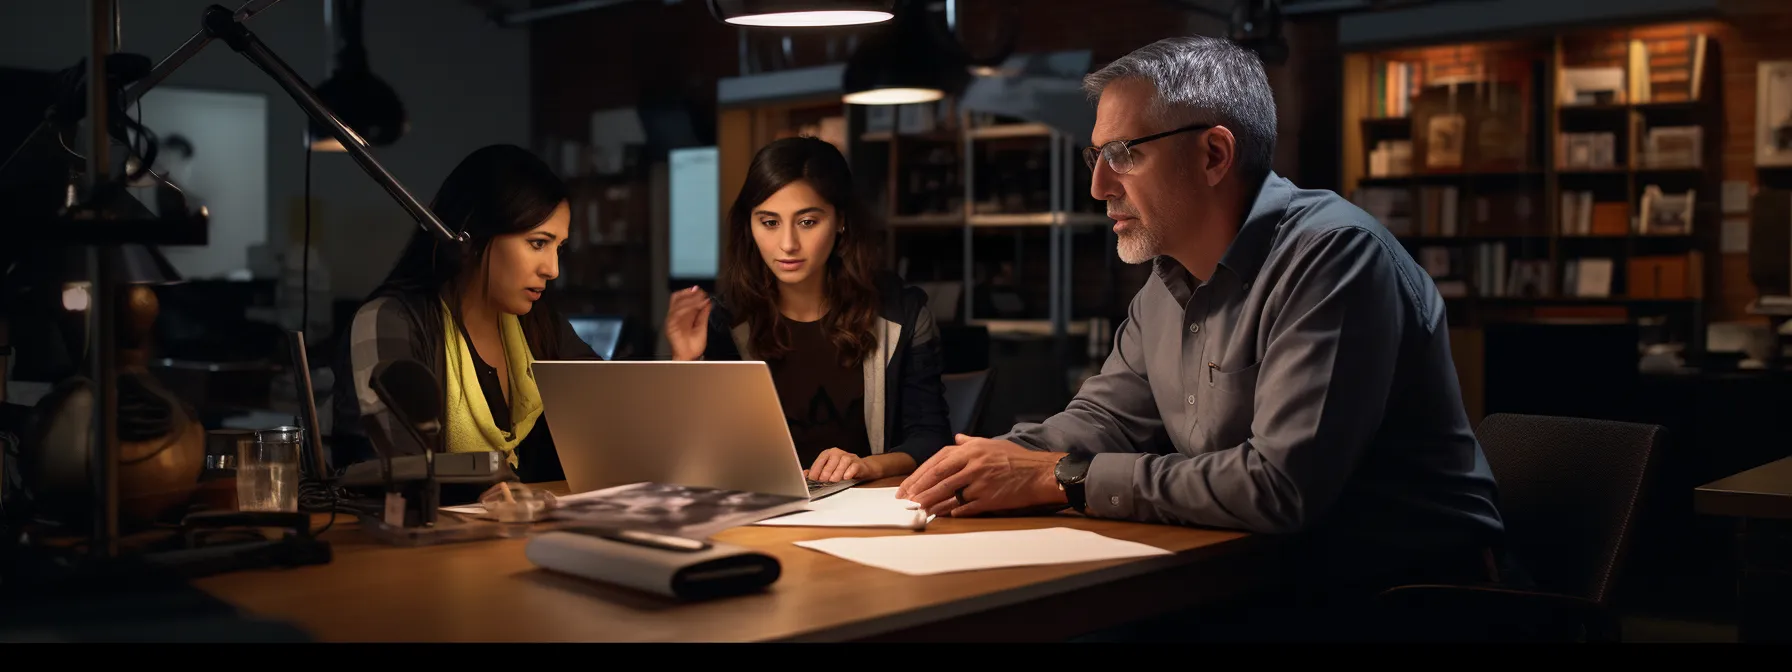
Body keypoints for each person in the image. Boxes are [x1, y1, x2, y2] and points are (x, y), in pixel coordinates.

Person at [894, 36, 1519, 638]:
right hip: (1264, 584)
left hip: (1405, 603)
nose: (1098, 187)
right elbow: (1099, 421)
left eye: (1125, 154)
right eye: (1096, 157)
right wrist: (972, 466)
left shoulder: (1333, 258)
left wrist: (1063, 477)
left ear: (1215, 155)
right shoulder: (1165, 287)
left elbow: (1279, 488)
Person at [664, 137, 950, 484]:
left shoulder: (901, 313)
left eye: (808, 222)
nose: (787, 244)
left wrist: (867, 465)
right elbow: (694, 458)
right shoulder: (726, 320)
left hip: (871, 508)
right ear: (749, 226)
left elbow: (931, 438)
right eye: (769, 223)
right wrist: (685, 363)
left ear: (840, 221)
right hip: (765, 513)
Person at [331, 144, 600, 491]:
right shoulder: (390, 322)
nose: (552, 269)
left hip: (526, 539)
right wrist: (491, 484)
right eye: (538, 243)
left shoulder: (543, 327)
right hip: (429, 544)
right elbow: (390, 471)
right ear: (472, 236)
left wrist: (680, 361)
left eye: (558, 248)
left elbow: (612, 417)